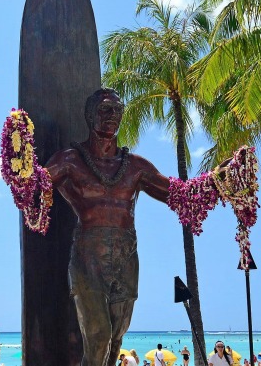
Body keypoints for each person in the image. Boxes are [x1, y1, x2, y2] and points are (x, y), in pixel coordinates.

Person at [45, 89, 230, 366]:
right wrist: (18, 154)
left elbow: (179, 194)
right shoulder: (70, 160)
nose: (113, 116)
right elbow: (34, 186)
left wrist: (215, 181)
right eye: (105, 109)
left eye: (118, 110)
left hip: (126, 256)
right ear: (89, 114)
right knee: (99, 337)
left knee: (115, 340)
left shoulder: (135, 166)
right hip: (88, 256)